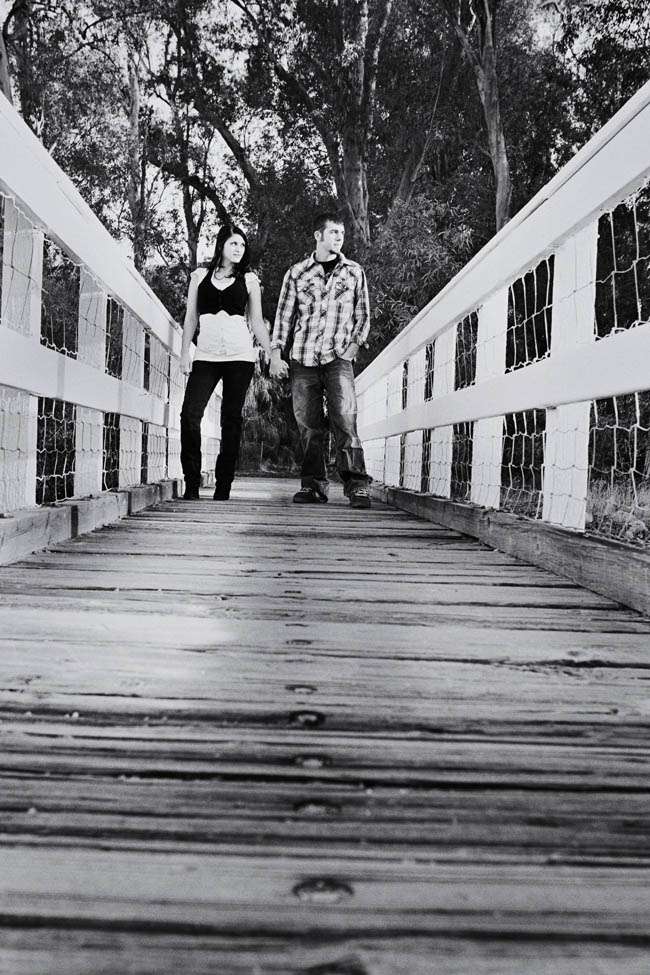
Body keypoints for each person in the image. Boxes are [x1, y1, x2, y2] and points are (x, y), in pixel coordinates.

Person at [269, 211, 372, 508]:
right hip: (303, 357)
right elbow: (284, 316)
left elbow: (363, 314)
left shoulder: (354, 272)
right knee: (309, 425)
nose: (339, 238)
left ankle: (357, 486)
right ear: (318, 235)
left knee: (345, 418)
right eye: (334, 232)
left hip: (338, 356)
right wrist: (276, 354)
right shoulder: (297, 273)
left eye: (342, 233)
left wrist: (353, 347)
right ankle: (313, 486)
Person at [179, 224, 271, 501]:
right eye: (233, 244)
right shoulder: (199, 276)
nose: (239, 249)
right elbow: (191, 318)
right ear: (221, 245)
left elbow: (256, 322)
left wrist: (272, 352)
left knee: (231, 419)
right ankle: (192, 483)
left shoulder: (249, 280)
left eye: (242, 245)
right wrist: (185, 353)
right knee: (190, 415)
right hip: (206, 356)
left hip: (239, 357)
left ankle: (223, 486)